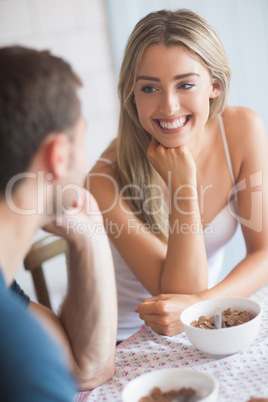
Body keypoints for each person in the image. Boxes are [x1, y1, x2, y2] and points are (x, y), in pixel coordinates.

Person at [87, 9, 268, 342]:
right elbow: (177, 292)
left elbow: (264, 252)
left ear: (214, 85)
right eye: (149, 89)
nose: (169, 107)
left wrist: (204, 302)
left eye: (185, 84)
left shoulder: (242, 131)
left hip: (199, 321)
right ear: (131, 93)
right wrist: (183, 186)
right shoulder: (104, 179)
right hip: (125, 340)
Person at [0, 46, 117, 400]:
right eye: (82, 138)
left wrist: (89, 233)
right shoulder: (20, 352)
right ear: (59, 155)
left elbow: (87, 369)